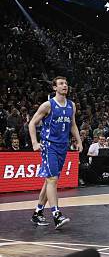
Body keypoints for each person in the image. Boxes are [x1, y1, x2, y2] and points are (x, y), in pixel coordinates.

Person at [28, 76, 83, 229]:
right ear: (54, 88)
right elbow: (32, 123)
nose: (64, 85)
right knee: (52, 180)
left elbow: (73, 125)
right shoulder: (48, 105)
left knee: (49, 181)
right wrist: (34, 142)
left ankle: (38, 213)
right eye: (61, 84)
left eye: (66, 83)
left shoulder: (71, 105)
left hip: (62, 147)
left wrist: (79, 141)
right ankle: (56, 214)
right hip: (49, 146)